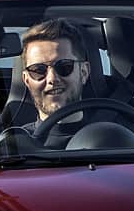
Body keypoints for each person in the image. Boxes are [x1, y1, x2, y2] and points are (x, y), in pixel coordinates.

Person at [17, 18, 93, 147]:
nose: (52, 79)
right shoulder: (14, 148)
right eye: (38, 70)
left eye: (63, 67)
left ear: (84, 72)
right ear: (26, 80)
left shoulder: (118, 139)